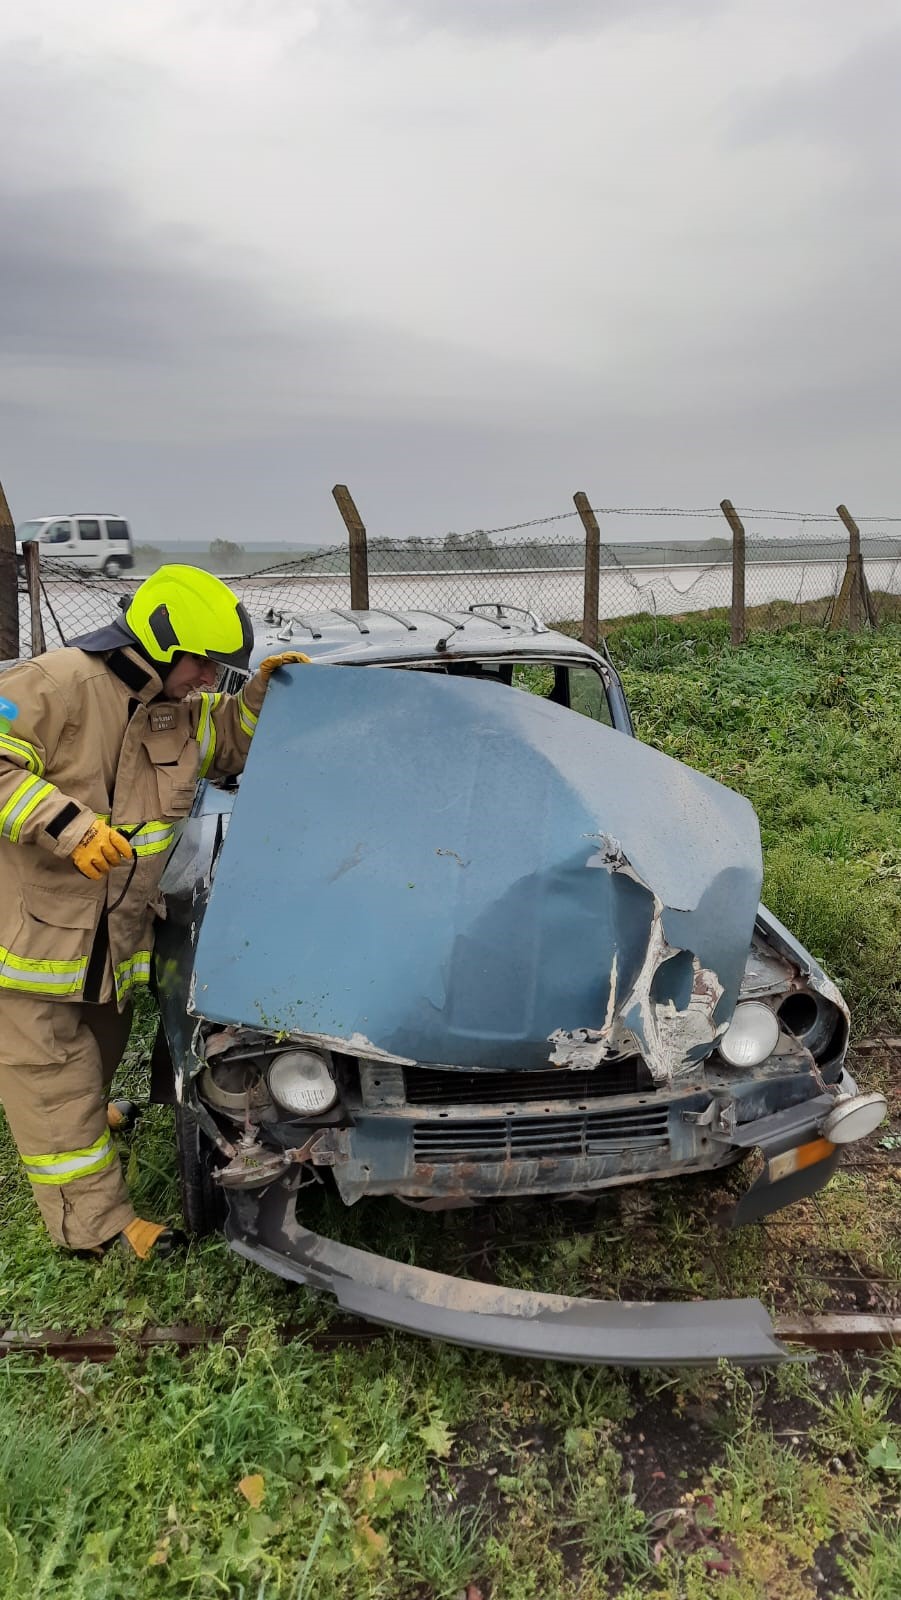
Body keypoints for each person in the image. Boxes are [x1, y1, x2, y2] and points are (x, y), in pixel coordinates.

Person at [0, 565, 308, 1259]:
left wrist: (258, 699)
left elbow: (226, 744)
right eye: (204, 664)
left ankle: (87, 1113)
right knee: (51, 1072)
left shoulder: (175, 709)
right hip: (32, 936)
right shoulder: (54, 684)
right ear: (159, 646)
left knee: (99, 1051)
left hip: (111, 938)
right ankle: (96, 1228)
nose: (209, 679)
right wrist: (67, 825)